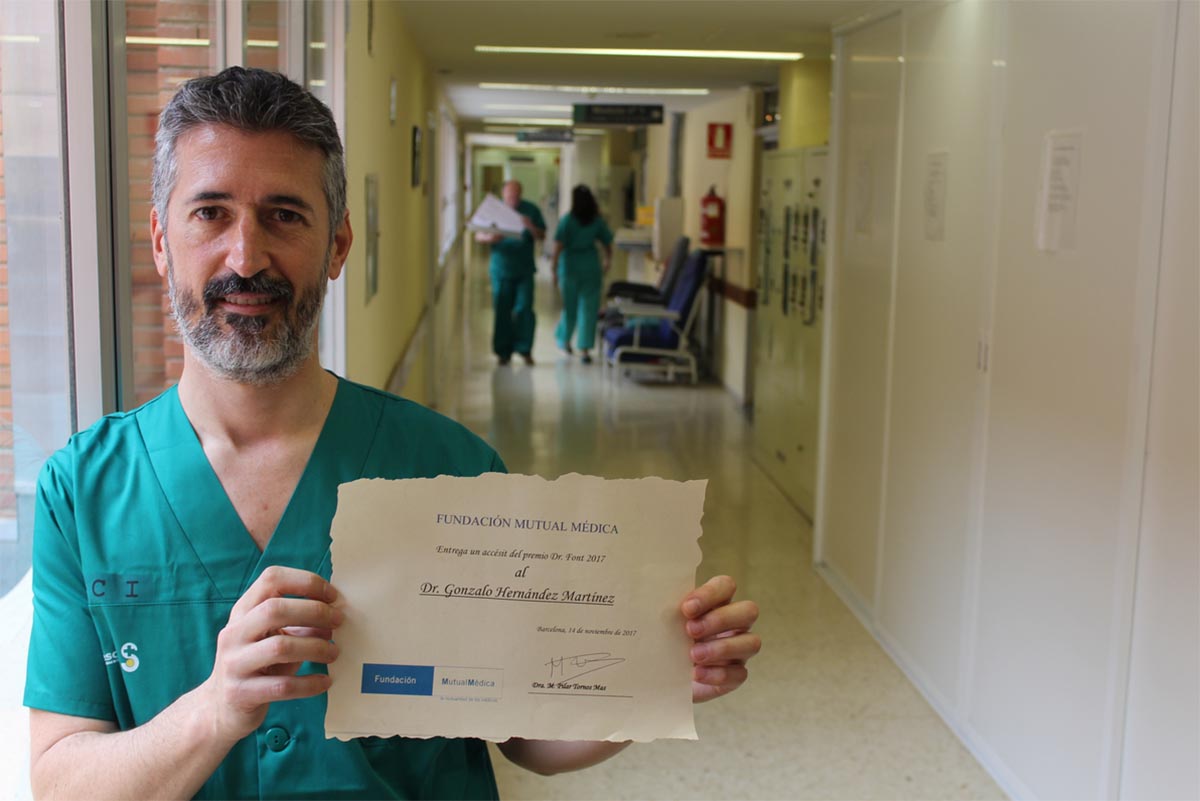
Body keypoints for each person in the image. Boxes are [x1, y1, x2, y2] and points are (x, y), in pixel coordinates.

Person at [23, 68, 761, 800]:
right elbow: (60, 780)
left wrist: (653, 676)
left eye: (285, 215)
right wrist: (214, 711)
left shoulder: (452, 468)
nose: (245, 258)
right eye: (210, 213)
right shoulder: (80, 493)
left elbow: (527, 731)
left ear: (338, 244)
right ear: (159, 240)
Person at [475, 180, 545, 367]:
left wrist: (531, 227)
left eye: (516, 196)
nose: (513, 199)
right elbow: (478, 235)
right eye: (509, 196)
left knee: (525, 308)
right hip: (501, 269)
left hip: (524, 269)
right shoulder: (493, 210)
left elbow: (542, 235)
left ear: (521, 194)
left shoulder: (530, 210)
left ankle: (525, 349)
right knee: (502, 311)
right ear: (503, 195)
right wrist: (490, 237)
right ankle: (503, 352)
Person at [550, 185, 614, 364]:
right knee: (589, 308)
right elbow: (608, 243)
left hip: (569, 267)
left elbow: (557, 247)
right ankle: (585, 349)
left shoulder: (567, 221)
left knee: (569, 308)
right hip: (591, 266)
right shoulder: (597, 221)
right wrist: (608, 260)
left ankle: (565, 340)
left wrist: (553, 268)